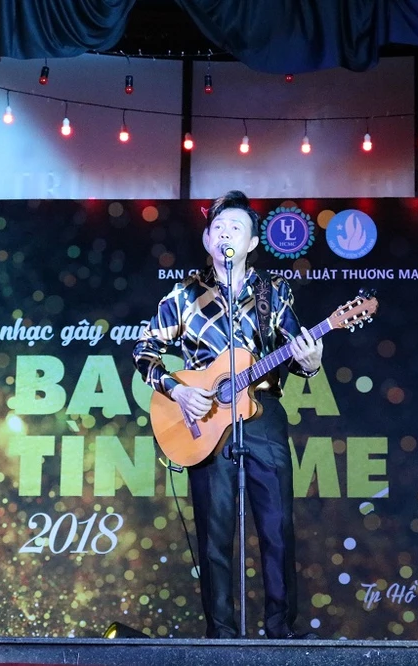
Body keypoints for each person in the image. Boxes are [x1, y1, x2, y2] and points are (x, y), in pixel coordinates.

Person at [133, 190, 323, 639]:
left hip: (263, 413)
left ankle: (280, 629)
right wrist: (178, 390)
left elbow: (297, 353)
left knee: (277, 526)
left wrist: (311, 362)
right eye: (217, 227)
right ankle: (220, 633)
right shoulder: (184, 295)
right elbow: (144, 349)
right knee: (214, 532)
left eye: (235, 227)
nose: (225, 233)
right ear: (207, 240)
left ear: (252, 242)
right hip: (203, 420)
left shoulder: (273, 291)